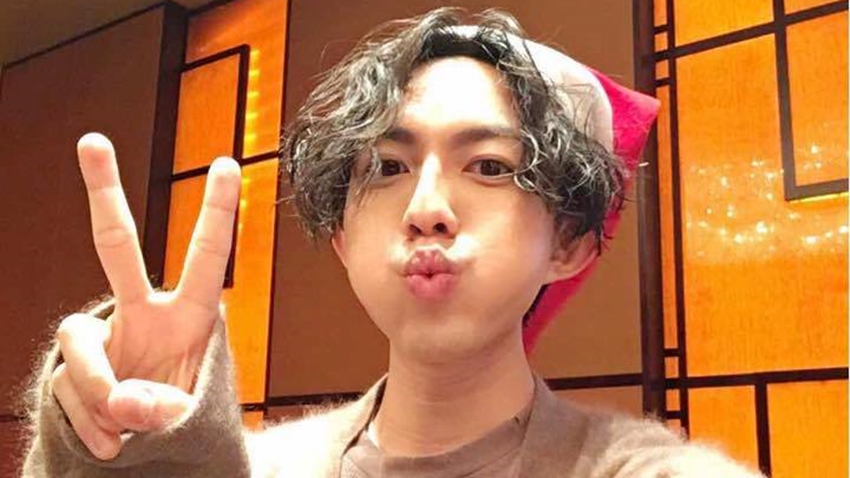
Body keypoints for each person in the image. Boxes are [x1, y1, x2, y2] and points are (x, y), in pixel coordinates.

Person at [21, 7, 762, 478]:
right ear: (342, 236)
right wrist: (134, 450)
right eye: (387, 167)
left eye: (489, 166)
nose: (426, 208)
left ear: (568, 242)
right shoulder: (255, 469)